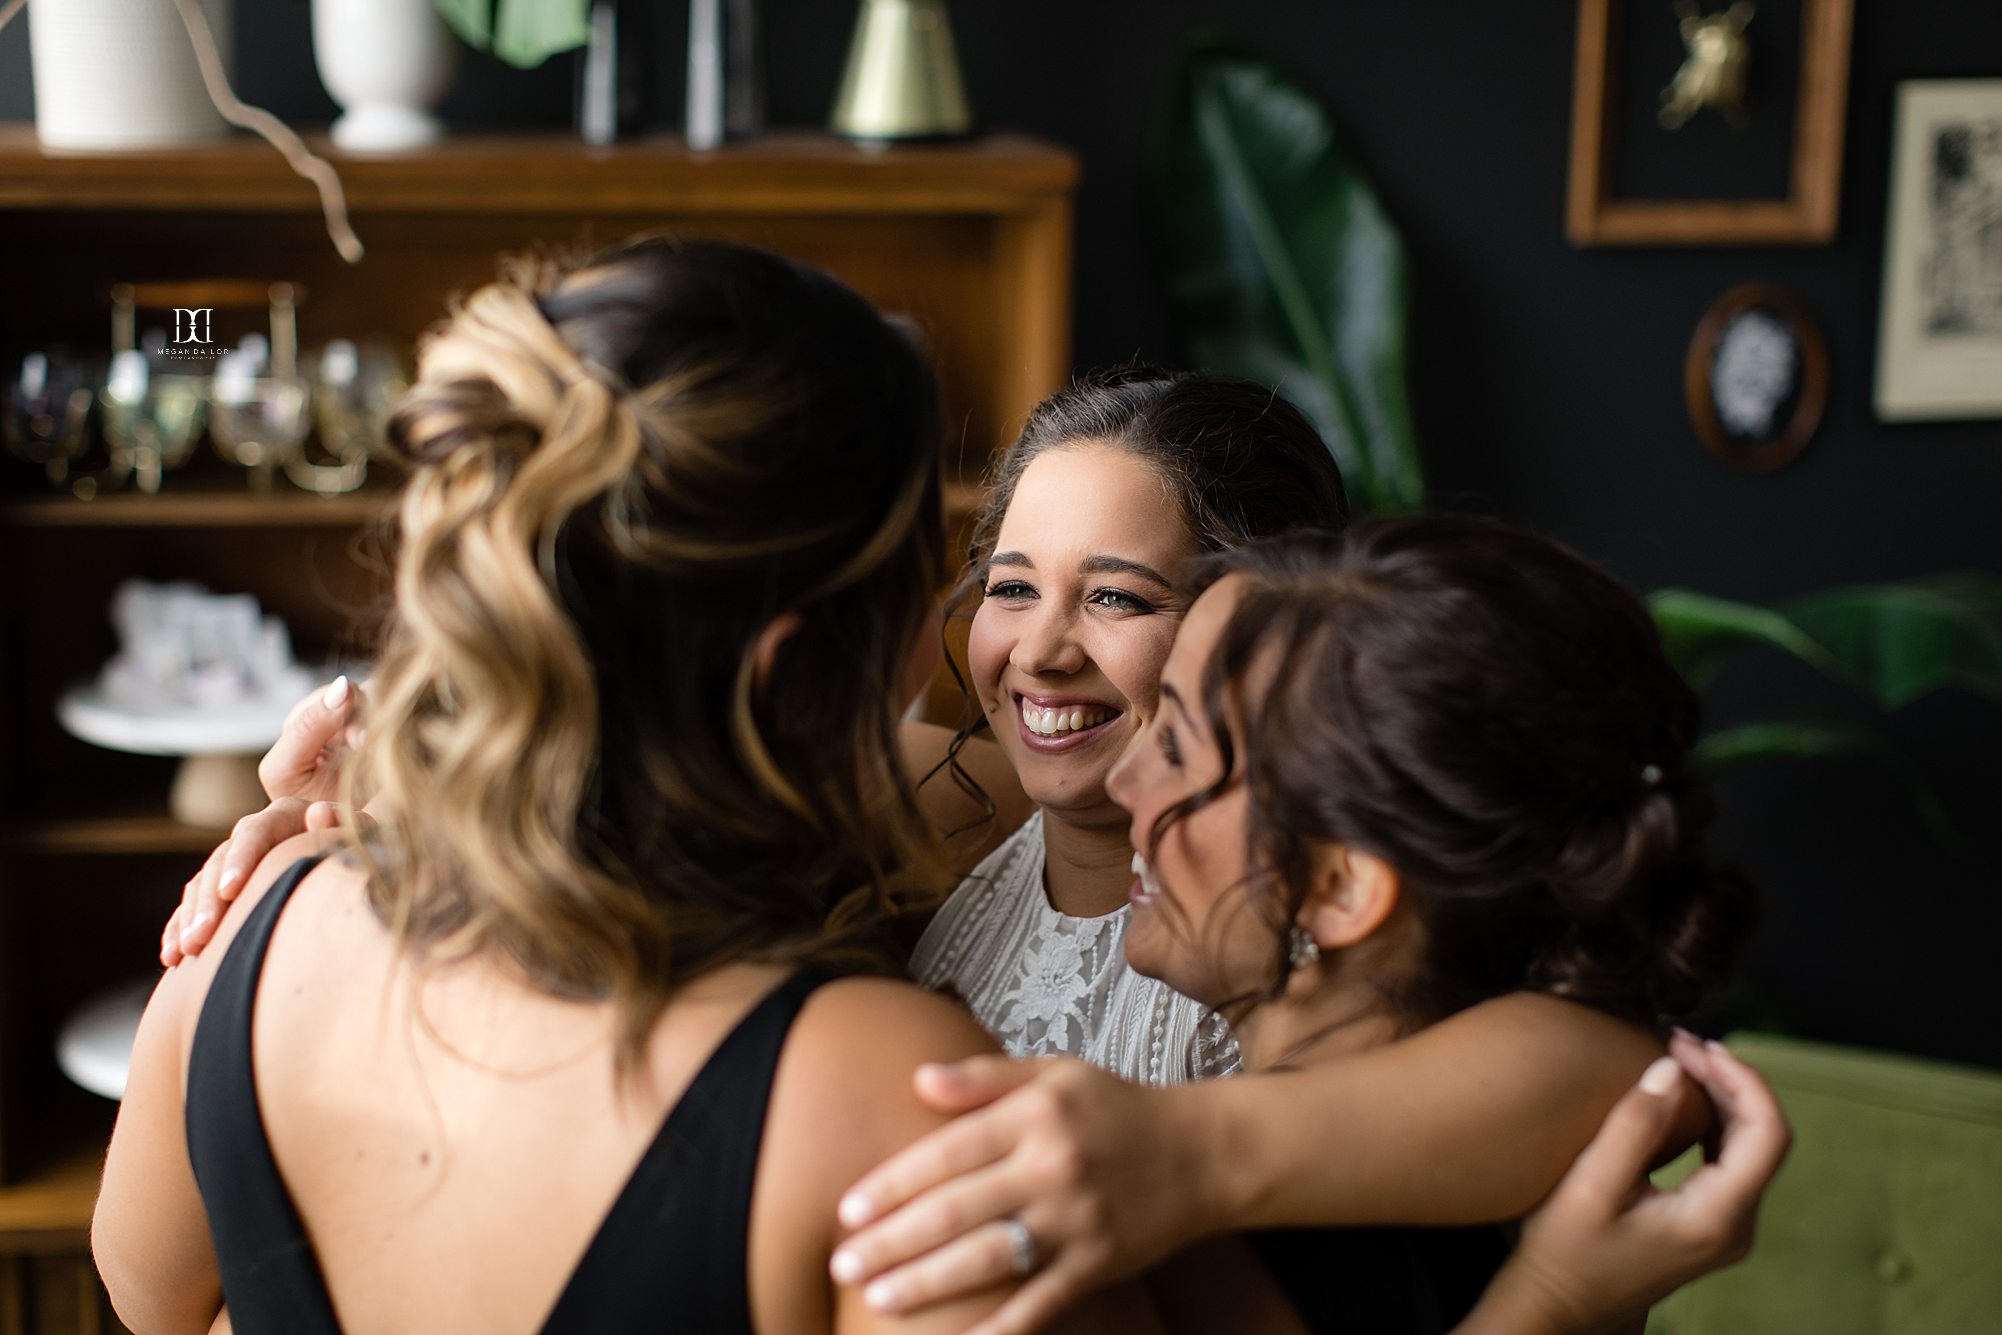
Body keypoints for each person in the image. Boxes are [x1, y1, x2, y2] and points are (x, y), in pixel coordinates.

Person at [162, 367, 1721, 1298]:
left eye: (1119, 598)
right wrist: (398, 754)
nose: (1038, 651)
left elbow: (1604, 1065)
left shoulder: (1325, 952)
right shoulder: (955, 790)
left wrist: (1192, 1155)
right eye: (1010, 584)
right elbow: (662, 741)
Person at [91, 236, 1146, 1335]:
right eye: (926, 588)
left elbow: (152, 1297)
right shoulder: (884, 1102)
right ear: (797, 674)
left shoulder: (249, 930)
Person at [832, 519, 1759, 1334]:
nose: (1123, 784)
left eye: (1178, 747)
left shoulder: (1178, 1238)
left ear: (1342, 885)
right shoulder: (1553, 1167)